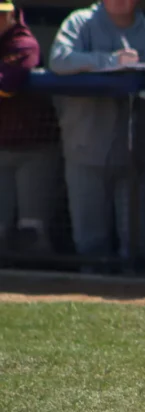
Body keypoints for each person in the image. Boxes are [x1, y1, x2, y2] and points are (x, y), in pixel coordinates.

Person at [49, 0, 145, 268]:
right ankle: (89, 288)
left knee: (137, 247)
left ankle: (134, 288)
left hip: (136, 154)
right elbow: (59, 59)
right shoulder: (80, 22)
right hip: (86, 148)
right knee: (90, 246)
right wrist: (109, 61)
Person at [0, 1, 62, 254]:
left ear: (13, 15)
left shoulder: (24, 43)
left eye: (1, 15)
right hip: (2, 146)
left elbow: (7, 84)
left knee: (32, 231)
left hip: (34, 147)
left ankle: (38, 275)